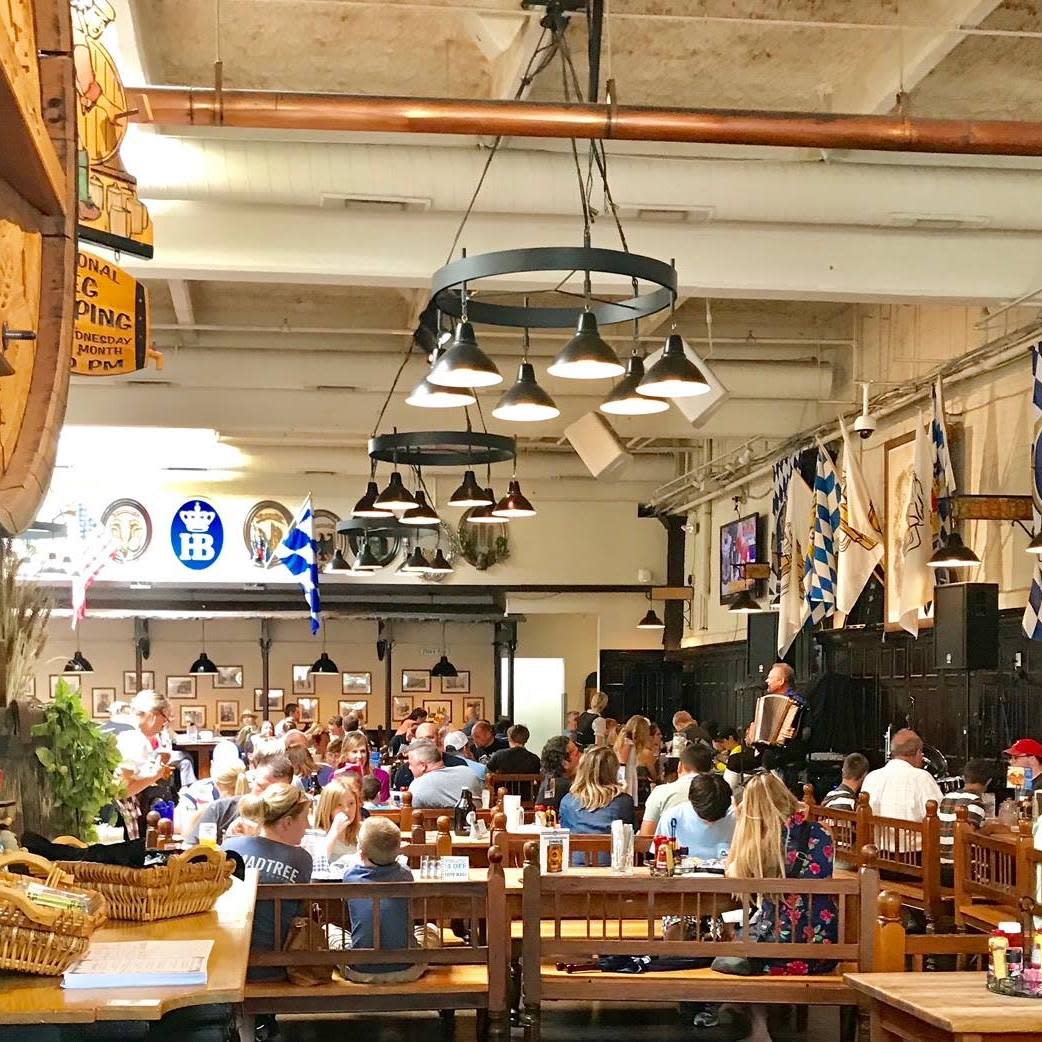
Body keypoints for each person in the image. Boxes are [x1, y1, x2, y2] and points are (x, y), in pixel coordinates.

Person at [713, 773, 837, 1041]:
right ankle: (746, 1010)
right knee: (754, 940)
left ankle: (758, 1028)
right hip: (823, 948)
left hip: (777, 951)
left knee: (744, 948)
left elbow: (734, 878)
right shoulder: (821, 833)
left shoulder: (758, 844)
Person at [223, 783, 313, 980]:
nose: (308, 826)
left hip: (227, 961)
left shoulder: (230, 846)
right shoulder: (302, 859)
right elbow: (300, 915)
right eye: (305, 818)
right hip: (275, 968)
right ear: (287, 822)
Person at [339, 817, 426, 983]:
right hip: (407, 969)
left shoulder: (351, 877)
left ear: (361, 852)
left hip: (360, 970)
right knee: (429, 931)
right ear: (398, 849)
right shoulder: (405, 875)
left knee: (332, 934)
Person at [187, 751, 293, 845]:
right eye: (261, 787)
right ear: (253, 780)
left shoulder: (292, 820)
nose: (267, 796)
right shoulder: (220, 810)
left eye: (276, 792)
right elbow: (190, 850)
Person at [113, 690, 175, 838]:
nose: (163, 726)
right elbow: (122, 789)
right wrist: (157, 774)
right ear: (154, 715)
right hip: (118, 809)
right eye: (164, 719)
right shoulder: (135, 738)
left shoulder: (120, 727)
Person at [860, 729, 943, 821]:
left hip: (875, 835)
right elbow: (940, 818)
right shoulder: (921, 778)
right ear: (918, 752)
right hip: (912, 835)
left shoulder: (871, 777)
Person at [640, 744, 715, 837]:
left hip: (670, 848)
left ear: (680, 766)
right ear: (710, 769)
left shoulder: (661, 792)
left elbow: (646, 836)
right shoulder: (722, 795)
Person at [655, 773, 735, 859]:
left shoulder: (736, 818)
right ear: (691, 801)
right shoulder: (672, 818)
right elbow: (661, 859)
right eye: (704, 817)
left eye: (718, 818)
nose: (711, 822)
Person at [559, 747, 635, 833]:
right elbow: (630, 833)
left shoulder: (567, 801)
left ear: (582, 769)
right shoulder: (624, 802)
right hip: (610, 846)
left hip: (576, 846)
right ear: (614, 770)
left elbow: (564, 833)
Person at [938, 758, 990, 862]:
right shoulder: (976, 802)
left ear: (963, 778)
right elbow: (968, 835)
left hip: (938, 862)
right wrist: (990, 829)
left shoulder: (947, 797)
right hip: (960, 866)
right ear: (988, 782)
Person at [392, 722, 470, 788]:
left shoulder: (458, 765)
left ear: (439, 738)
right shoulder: (405, 771)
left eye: (430, 737)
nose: (426, 742)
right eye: (421, 739)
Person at [407, 741, 482, 808]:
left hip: (438, 823)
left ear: (423, 766)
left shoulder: (417, 786)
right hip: (474, 822)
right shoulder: (468, 772)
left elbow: (411, 816)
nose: (409, 768)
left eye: (410, 764)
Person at [312, 777, 362, 861]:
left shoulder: (362, 831)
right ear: (328, 807)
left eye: (351, 803)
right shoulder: (317, 834)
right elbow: (319, 862)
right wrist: (335, 831)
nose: (347, 809)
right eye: (339, 805)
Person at [335, 730, 391, 802]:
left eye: (363, 751)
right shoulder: (336, 777)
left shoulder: (382, 776)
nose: (359, 756)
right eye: (354, 752)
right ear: (346, 754)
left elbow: (385, 808)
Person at [614, 715, 658, 804]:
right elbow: (622, 763)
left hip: (630, 772)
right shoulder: (627, 742)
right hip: (627, 774)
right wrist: (622, 781)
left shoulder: (627, 741)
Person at [536, 735, 580, 810]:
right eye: (577, 754)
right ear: (565, 763)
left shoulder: (550, 782)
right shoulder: (568, 787)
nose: (583, 756)